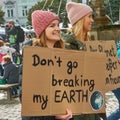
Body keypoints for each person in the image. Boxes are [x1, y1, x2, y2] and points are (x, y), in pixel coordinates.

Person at [22, 10, 73, 120]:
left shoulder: (63, 56)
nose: (58, 29)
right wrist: (54, 116)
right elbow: (28, 99)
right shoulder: (33, 58)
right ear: (42, 30)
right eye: (52, 26)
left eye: (58, 25)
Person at [66, 2, 107, 120]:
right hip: (79, 109)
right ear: (79, 19)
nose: (93, 20)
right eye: (89, 17)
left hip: (93, 103)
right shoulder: (68, 46)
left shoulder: (90, 43)